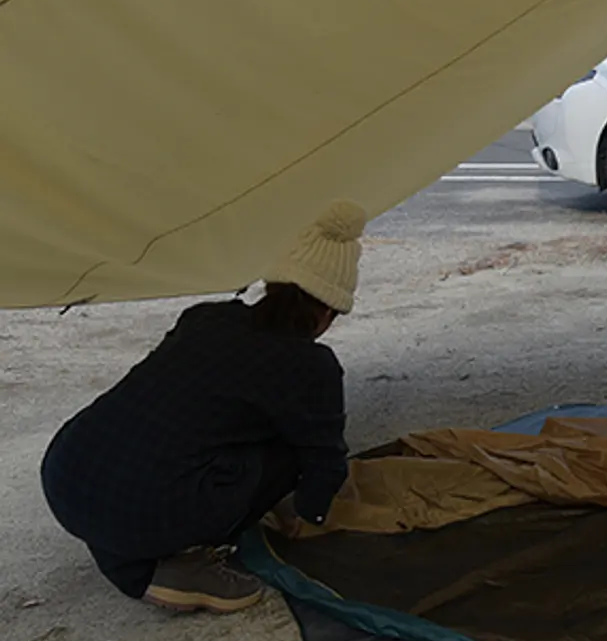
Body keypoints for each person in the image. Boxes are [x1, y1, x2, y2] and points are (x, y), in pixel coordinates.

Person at [40, 201, 366, 612]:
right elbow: (325, 462)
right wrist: (310, 513)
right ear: (327, 312)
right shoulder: (310, 365)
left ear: (274, 285)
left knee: (168, 441)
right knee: (287, 455)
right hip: (143, 506)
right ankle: (172, 570)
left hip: (66, 472)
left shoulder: (207, 317)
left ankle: (122, 551)